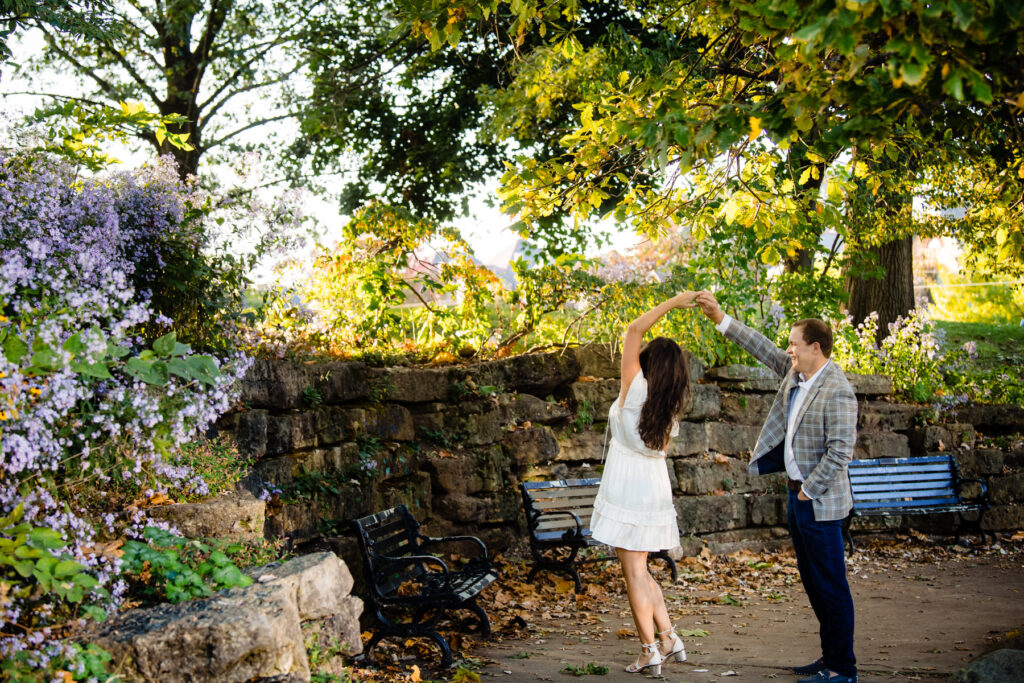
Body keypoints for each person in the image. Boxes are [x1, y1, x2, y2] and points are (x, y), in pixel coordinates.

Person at [695, 290, 858, 683]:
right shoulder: (796, 373)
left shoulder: (838, 390)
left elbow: (839, 454)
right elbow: (761, 346)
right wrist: (720, 316)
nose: (788, 350)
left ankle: (843, 670)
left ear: (815, 348)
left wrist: (806, 491)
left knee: (831, 585)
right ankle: (830, 657)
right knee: (814, 583)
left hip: (818, 502)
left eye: (794, 344)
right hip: (796, 496)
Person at [589, 291, 697, 675]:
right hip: (653, 485)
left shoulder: (634, 386)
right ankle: (668, 637)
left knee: (633, 570)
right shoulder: (666, 408)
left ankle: (648, 648)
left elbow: (634, 327)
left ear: (649, 363)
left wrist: (674, 302)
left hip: (628, 483)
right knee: (642, 568)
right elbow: (661, 451)